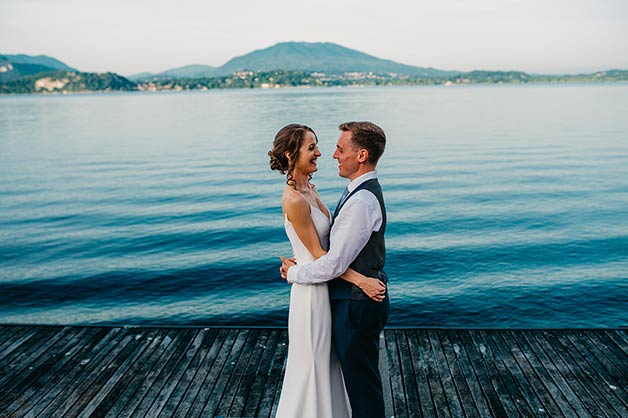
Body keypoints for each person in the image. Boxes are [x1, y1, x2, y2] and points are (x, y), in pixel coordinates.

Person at [268, 124, 386, 418]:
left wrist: (299, 269)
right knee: (312, 366)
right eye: (312, 147)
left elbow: (327, 255)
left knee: (331, 368)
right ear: (290, 154)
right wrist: (361, 280)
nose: (324, 153)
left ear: (361, 155)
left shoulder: (314, 190)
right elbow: (323, 256)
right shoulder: (294, 199)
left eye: (334, 148)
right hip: (312, 293)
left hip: (324, 285)